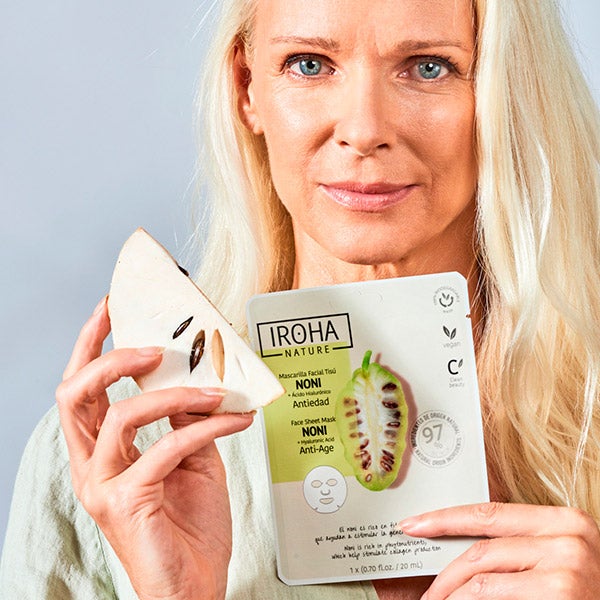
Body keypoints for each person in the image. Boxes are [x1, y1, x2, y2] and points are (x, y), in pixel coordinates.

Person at [2, 0, 600, 597]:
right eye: (309, 64)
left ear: (505, 88)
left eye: (428, 67)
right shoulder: (116, 461)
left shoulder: (590, 418)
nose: (364, 130)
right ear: (247, 88)